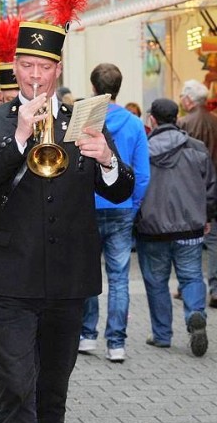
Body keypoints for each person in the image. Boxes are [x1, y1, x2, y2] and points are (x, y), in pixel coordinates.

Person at [0, 14, 134, 423]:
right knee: (17, 389)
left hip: (68, 280)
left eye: (44, 66)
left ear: (58, 68)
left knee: (52, 394)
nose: (35, 75)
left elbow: (121, 188)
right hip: (9, 282)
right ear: (15, 66)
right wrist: (21, 134)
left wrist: (107, 161)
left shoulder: (86, 120)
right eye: (26, 65)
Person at [78, 64, 150, 362]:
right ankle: (116, 342)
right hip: (121, 208)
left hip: (89, 207)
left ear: (93, 87)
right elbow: (143, 174)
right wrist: (132, 205)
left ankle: (87, 334)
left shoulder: (85, 120)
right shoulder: (134, 124)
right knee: (119, 277)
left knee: (87, 272)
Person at [135, 97, 216, 357]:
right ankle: (195, 313)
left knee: (156, 281)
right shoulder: (197, 148)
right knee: (192, 275)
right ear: (177, 117)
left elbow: (135, 188)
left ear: (152, 120)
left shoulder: (143, 150)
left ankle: (161, 335)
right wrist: (207, 217)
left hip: (152, 228)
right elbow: (211, 188)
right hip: (190, 226)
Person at [177, 80, 217, 309]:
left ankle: (186, 287)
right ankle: (215, 287)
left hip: (192, 189)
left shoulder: (184, 122)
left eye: (183, 97)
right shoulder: (215, 121)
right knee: (214, 242)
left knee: (188, 240)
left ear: (189, 100)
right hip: (215, 188)